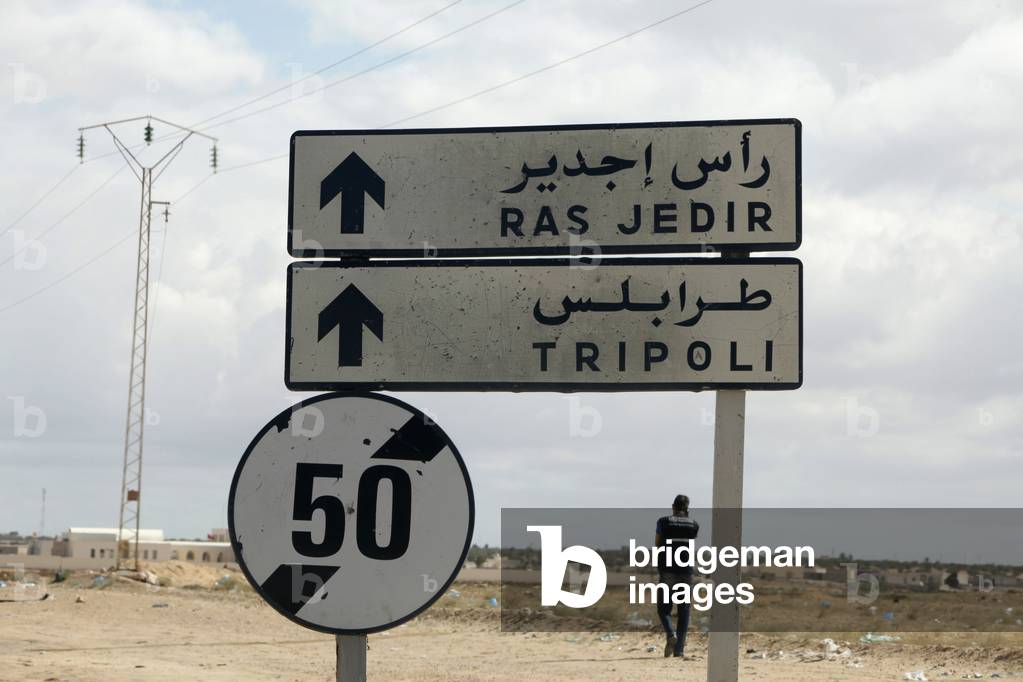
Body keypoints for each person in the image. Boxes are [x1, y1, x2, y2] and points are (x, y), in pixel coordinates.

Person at [655, 494, 699, 658]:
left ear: (673, 507)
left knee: (663, 608)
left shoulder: (663, 521)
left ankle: (670, 634)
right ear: (687, 509)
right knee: (684, 610)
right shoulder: (694, 525)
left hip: (667, 570)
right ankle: (679, 650)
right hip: (685, 571)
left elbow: (658, 542)